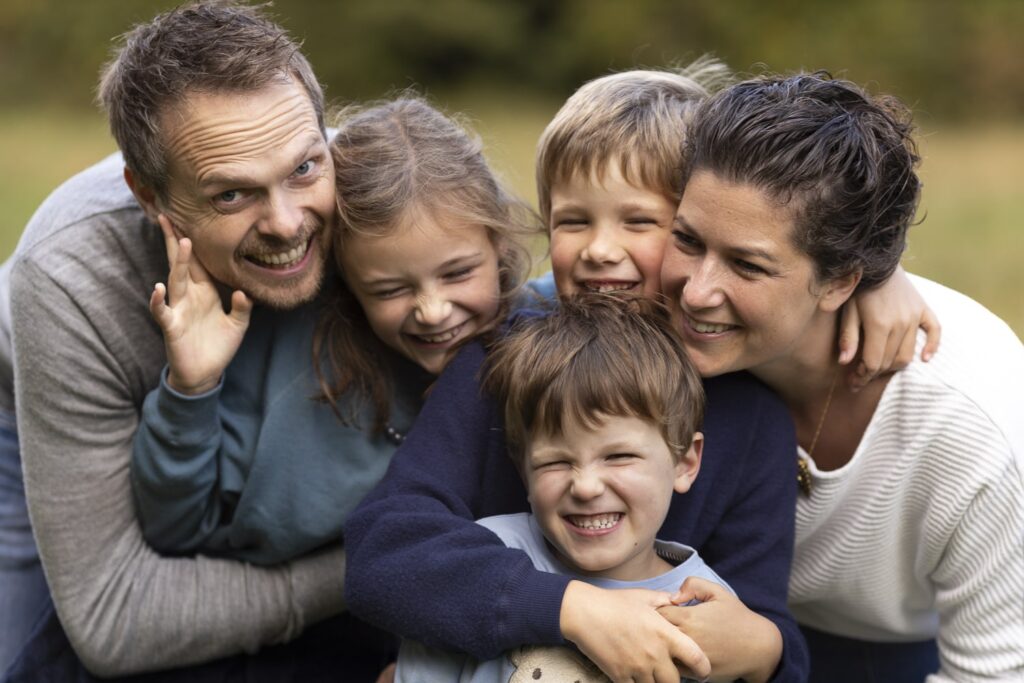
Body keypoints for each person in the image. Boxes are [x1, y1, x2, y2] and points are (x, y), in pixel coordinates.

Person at [345, 62, 939, 683]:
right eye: (574, 221)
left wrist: (764, 651)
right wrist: (575, 610)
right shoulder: (498, 362)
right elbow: (386, 550)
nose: (602, 249)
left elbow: (764, 627)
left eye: (639, 222)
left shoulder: (748, 415)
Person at [4, 3, 392, 679]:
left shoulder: (377, 195)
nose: (287, 223)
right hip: (37, 423)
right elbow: (114, 615)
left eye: (304, 168)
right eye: (233, 195)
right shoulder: (70, 276)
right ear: (149, 196)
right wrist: (379, 568)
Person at [659, 72, 1024, 682]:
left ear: (841, 281)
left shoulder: (973, 428)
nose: (695, 292)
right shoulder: (659, 325)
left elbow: (993, 675)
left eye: (747, 265)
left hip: (910, 652)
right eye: (687, 240)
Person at [130, 96, 538, 565]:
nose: (431, 311)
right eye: (389, 290)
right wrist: (190, 390)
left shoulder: (541, 344)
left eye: (458, 273)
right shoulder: (289, 365)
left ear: (499, 245)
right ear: (346, 281)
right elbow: (175, 530)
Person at [395, 294, 733, 683]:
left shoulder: (710, 608)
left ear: (685, 462)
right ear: (523, 470)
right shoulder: (477, 560)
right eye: (555, 462)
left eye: (619, 456)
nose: (586, 487)